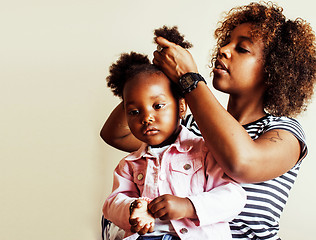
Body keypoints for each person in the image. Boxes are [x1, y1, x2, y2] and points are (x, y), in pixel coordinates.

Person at [101, 2, 316, 239]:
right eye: (226, 41)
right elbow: (116, 134)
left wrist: (189, 78)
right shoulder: (189, 126)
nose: (223, 50)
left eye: (242, 49)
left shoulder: (283, 131)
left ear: (274, 69)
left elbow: (242, 163)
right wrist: (151, 80)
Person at [102, 45, 246, 240]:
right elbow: (111, 205)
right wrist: (131, 209)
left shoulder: (203, 151)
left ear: (181, 107)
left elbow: (234, 198)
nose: (147, 118)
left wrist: (188, 206)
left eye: (158, 106)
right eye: (134, 112)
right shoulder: (129, 164)